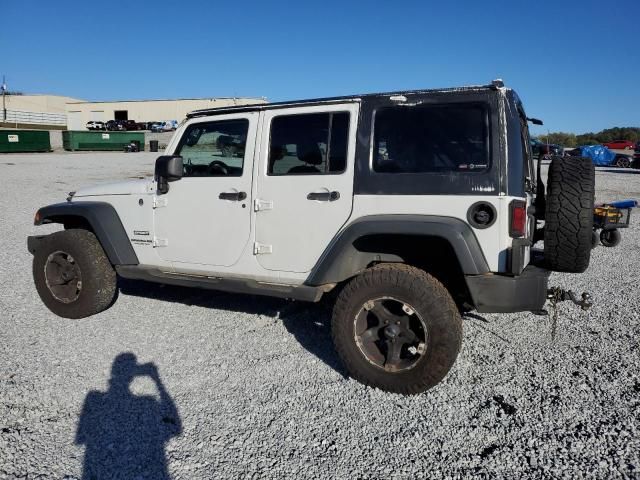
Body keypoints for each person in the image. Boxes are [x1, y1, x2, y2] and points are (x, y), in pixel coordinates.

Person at [75, 353, 182, 479]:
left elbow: (81, 437)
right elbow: (176, 429)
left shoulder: (93, 397)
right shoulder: (148, 401)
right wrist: (157, 380)